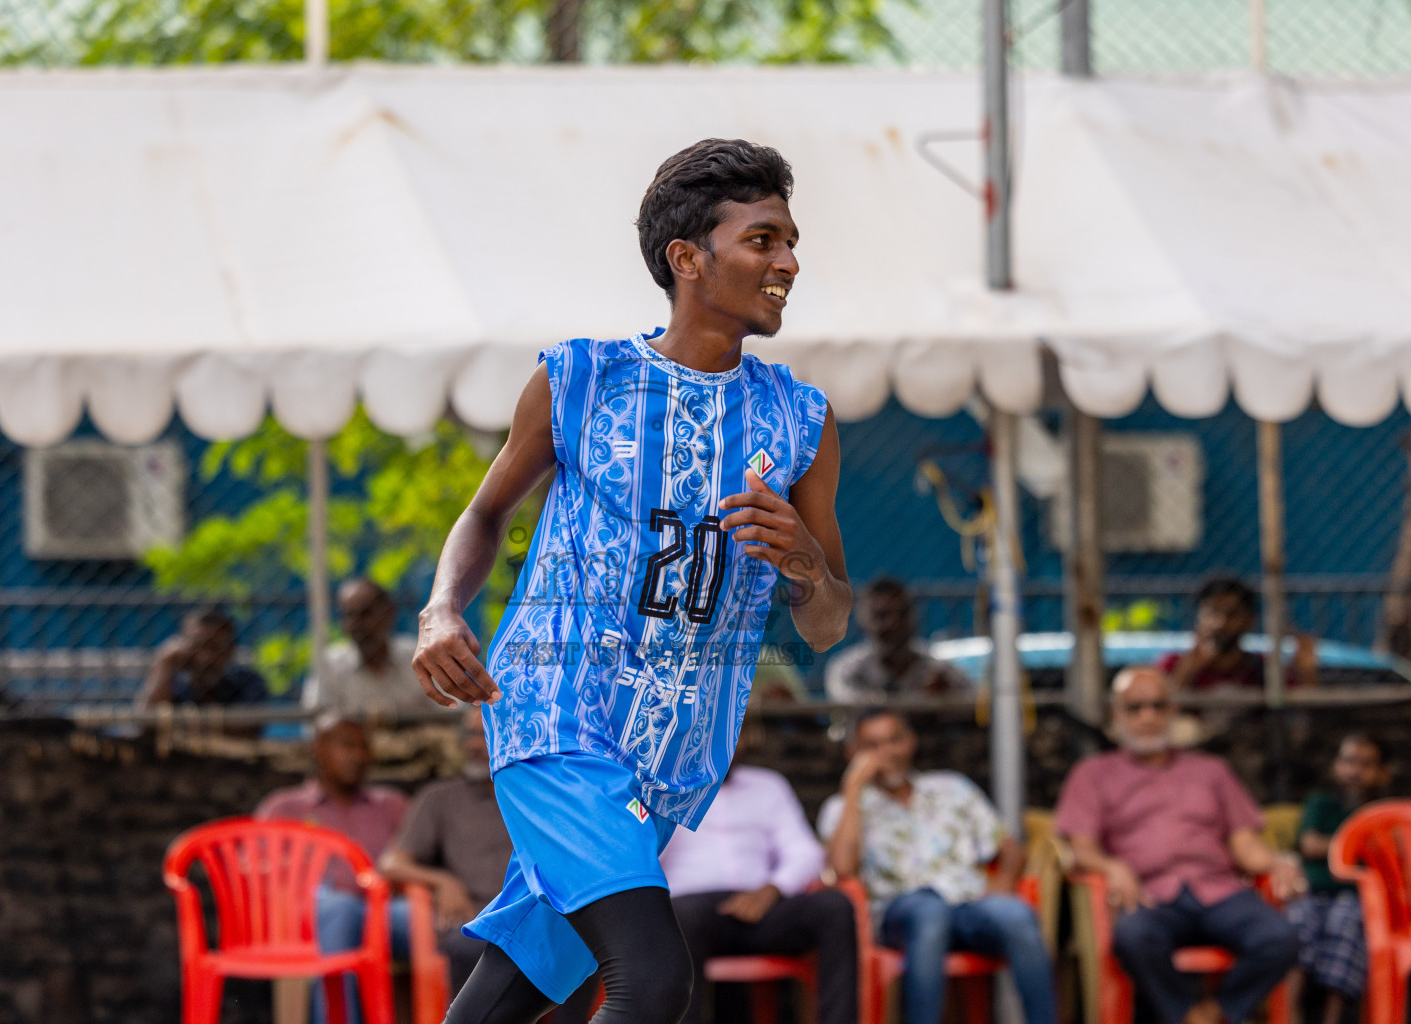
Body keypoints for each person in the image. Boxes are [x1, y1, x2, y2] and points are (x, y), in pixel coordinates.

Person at [410, 138, 851, 1024]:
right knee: (650, 982)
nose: (789, 263)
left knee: (504, 999)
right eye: (764, 240)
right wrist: (440, 610)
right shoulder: (579, 379)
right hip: (554, 718)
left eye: (791, 241)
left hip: (671, 763)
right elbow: (485, 514)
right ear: (688, 259)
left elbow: (828, 623)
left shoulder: (802, 420)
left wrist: (805, 564)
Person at [1055, 666, 1303, 1024]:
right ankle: (1183, 1015)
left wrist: (1278, 861)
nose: (1148, 717)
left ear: (1173, 712)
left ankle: (1214, 1014)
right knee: (1132, 936)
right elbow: (1081, 848)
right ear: (1116, 715)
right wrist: (1112, 867)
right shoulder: (1092, 775)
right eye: (1135, 707)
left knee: (1280, 937)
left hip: (1219, 891)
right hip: (1148, 894)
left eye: (1158, 706)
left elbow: (1244, 844)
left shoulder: (1211, 771)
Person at [819, 710, 1054, 1024]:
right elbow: (842, 869)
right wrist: (853, 789)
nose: (888, 753)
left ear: (911, 741)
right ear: (853, 754)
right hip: (901, 914)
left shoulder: (952, 788)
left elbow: (1009, 849)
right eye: (872, 746)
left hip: (968, 905)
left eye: (895, 740)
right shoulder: (842, 808)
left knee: (1017, 915)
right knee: (930, 913)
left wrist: (1004, 885)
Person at [659, 759, 856, 1024]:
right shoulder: (659, 788)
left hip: (762, 904)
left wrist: (773, 889)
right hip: (691, 912)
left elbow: (805, 852)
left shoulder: (768, 786)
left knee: (835, 907)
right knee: (678, 919)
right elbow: (641, 857)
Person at [255, 714, 410, 1024]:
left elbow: (416, 860)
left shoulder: (391, 805)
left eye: (364, 747)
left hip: (382, 912)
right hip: (309, 919)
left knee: (431, 923)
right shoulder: (285, 808)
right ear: (318, 750)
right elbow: (262, 875)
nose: (358, 756)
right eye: (346, 746)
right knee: (337, 910)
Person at [379, 708, 511, 995]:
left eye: (485, 734)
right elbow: (391, 863)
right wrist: (443, 882)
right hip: (474, 918)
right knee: (470, 946)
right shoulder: (442, 798)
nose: (473, 744)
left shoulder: (531, 797)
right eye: (469, 735)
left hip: (534, 914)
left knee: (576, 945)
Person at [1287, 733, 1390, 1024]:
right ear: (1335, 766)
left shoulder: (1380, 811)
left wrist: (1332, 846)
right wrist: (1356, 845)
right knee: (1297, 922)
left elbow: (1385, 855)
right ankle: (1288, 1013)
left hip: (1357, 899)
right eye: (1348, 761)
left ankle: (1332, 1018)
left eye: (1366, 764)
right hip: (1313, 893)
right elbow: (1309, 844)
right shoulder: (1321, 802)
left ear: (1382, 774)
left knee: (1346, 924)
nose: (1355, 771)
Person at [303, 578, 442, 720]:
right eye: (349, 615)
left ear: (389, 612)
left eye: (366, 613)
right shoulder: (331, 665)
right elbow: (318, 723)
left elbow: (450, 711)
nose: (357, 625)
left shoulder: (419, 657)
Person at [824, 577, 970, 703]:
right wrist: (923, 699)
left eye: (902, 613)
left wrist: (947, 696)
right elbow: (849, 705)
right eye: (881, 616)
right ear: (863, 621)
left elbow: (973, 699)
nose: (894, 624)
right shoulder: (847, 669)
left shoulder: (936, 668)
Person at [1161, 577, 1318, 692]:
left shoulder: (1264, 669)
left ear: (1249, 621)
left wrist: (1307, 674)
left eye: (1232, 614)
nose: (1220, 623)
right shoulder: (1173, 664)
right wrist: (1186, 673)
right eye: (1213, 613)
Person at [136, 609, 268, 709]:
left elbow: (246, 730)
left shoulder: (248, 683)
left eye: (215, 648)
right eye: (196, 646)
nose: (206, 657)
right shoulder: (174, 683)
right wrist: (164, 663)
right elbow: (144, 723)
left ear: (231, 649)